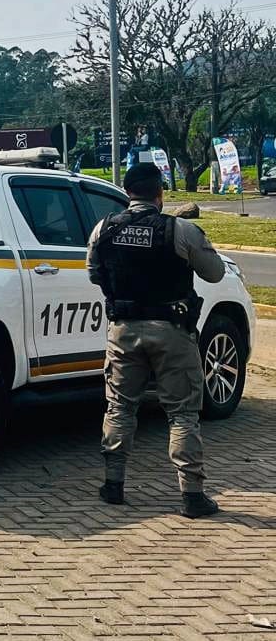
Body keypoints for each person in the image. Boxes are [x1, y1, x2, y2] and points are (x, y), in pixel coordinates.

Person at [86, 161, 226, 518]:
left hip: (124, 330)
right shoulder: (179, 230)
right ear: (159, 194)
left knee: (119, 406)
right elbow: (214, 273)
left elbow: (94, 273)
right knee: (182, 414)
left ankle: (113, 485)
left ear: (128, 193)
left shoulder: (104, 228)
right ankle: (192, 495)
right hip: (172, 331)